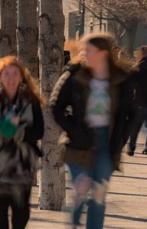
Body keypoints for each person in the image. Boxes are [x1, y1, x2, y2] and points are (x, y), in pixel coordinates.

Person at [50, 33, 135, 228]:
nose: (82, 54)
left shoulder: (121, 79)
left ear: (103, 53)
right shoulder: (73, 75)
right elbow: (55, 106)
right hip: (78, 142)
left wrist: (121, 139)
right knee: (82, 188)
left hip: (107, 143)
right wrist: (72, 129)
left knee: (98, 193)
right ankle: (73, 222)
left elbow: (131, 113)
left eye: (88, 51)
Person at [0, 56, 44, 228]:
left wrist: (19, 131)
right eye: (7, 74)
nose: (11, 79)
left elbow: (39, 131)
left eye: (15, 74)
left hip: (23, 163)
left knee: (21, 211)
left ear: (21, 77)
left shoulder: (31, 101)